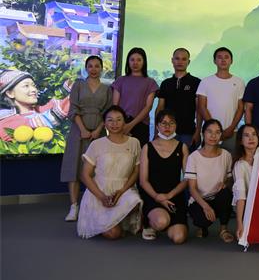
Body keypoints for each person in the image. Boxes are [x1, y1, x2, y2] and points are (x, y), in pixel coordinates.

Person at [76, 106, 142, 239]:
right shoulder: (96, 144)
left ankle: (118, 219)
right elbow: (85, 175)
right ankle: (111, 221)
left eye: (118, 120)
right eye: (110, 120)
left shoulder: (134, 142)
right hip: (100, 190)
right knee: (113, 234)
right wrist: (101, 197)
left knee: (135, 203)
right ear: (104, 123)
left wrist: (122, 191)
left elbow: (136, 171)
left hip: (123, 188)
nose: (114, 124)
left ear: (124, 122)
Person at [60, 55, 112, 222]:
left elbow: (108, 112)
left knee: (97, 170)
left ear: (102, 68)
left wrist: (98, 130)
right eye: (90, 66)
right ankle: (74, 207)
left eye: (97, 66)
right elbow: (73, 109)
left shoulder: (107, 88)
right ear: (86, 68)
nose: (94, 69)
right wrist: (82, 129)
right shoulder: (78, 85)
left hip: (99, 133)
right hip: (78, 132)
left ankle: (93, 206)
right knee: (74, 168)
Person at [138, 109, 189, 244]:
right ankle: (148, 222)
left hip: (174, 196)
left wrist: (169, 195)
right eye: (163, 123)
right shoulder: (147, 147)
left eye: (171, 123)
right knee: (161, 222)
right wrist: (157, 197)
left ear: (176, 126)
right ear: (157, 126)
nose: (167, 126)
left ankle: (167, 222)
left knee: (179, 238)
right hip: (153, 195)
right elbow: (143, 181)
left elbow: (187, 179)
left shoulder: (182, 147)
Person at [185, 119, 234, 242]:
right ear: (203, 133)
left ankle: (223, 229)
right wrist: (206, 206)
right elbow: (192, 189)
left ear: (221, 135)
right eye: (210, 132)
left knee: (226, 193)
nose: (213, 136)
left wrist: (225, 184)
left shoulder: (226, 155)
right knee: (202, 220)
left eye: (217, 132)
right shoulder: (193, 157)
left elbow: (229, 180)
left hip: (217, 197)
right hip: (199, 200)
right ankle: (203, 227)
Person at [197, 47, 245, 155]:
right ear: (214, 61)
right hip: (210, 134)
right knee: (209, 162)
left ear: (231, 61)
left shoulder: (239, 82)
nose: (223, 60)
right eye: (219, 57)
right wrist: (214, 129)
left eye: (226, 57)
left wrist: (231, 128)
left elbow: (240, 108)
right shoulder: (205, 82)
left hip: (232, 133)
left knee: (231, 163)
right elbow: (202, 107)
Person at [0, 69, 70, 141]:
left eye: (34, 86)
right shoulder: (6, 121)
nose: (34, 89)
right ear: (10, 93)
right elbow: (47, 118)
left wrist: (72, 81)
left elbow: (57, 100)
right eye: (26, 86)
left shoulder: (38, 110)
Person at [112, 47, 158, 147]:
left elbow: (148, 107)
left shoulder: (150, 82)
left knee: (139, 154)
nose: (135, 63)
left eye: (139, 60)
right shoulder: (120, 80)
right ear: (128, 62)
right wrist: (122, 124)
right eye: (132, 60)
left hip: (141, 124)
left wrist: (131, 125)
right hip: (121, 123)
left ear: (144, 62)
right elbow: (115, 106)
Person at [156, 48, 201, 149]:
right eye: (177, 58)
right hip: (167, 132)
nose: (180, 62)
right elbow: (160, 108)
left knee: (187, 159)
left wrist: (198, 131)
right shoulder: (166, 83)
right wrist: (156, 131)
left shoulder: (196, 82)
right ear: (172, 60)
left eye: (184, 59)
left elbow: (199, 110)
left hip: (188, 132)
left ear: (188, 62)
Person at [233, 124, 259, 241]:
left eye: (254, 134)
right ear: (241, 141)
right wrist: (239, 223)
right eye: (246, 135)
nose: (251, 138)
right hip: (248, 205)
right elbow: (240, 196)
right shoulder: (239, 165)